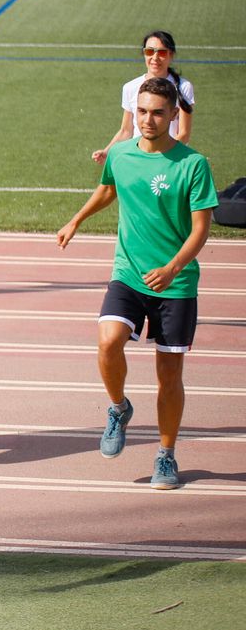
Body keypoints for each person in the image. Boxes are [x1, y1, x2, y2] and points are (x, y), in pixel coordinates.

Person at [58, 77, 217, 490]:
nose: (148, 119)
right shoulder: (122, 154)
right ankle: (118, 407)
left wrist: (173, 268)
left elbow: (201, 229)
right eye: (142, 111)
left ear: (172, 115)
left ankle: (166, 456)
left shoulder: (192, 164)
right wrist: (77, 218)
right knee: (108, 341)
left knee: (169, 375)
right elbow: (109, 188)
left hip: (175, 285)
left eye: (158, 113)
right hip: (128, 274)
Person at [92, 30, 196, 164]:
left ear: (171, 55)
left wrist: (161, 157)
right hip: (137, 159)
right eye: (149, 51)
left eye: (162, 52)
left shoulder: (183, 87)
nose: (155, 57)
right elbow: (126, 131)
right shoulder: (130, 87)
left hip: (169, 160)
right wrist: (107, 151)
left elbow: (183, 134)